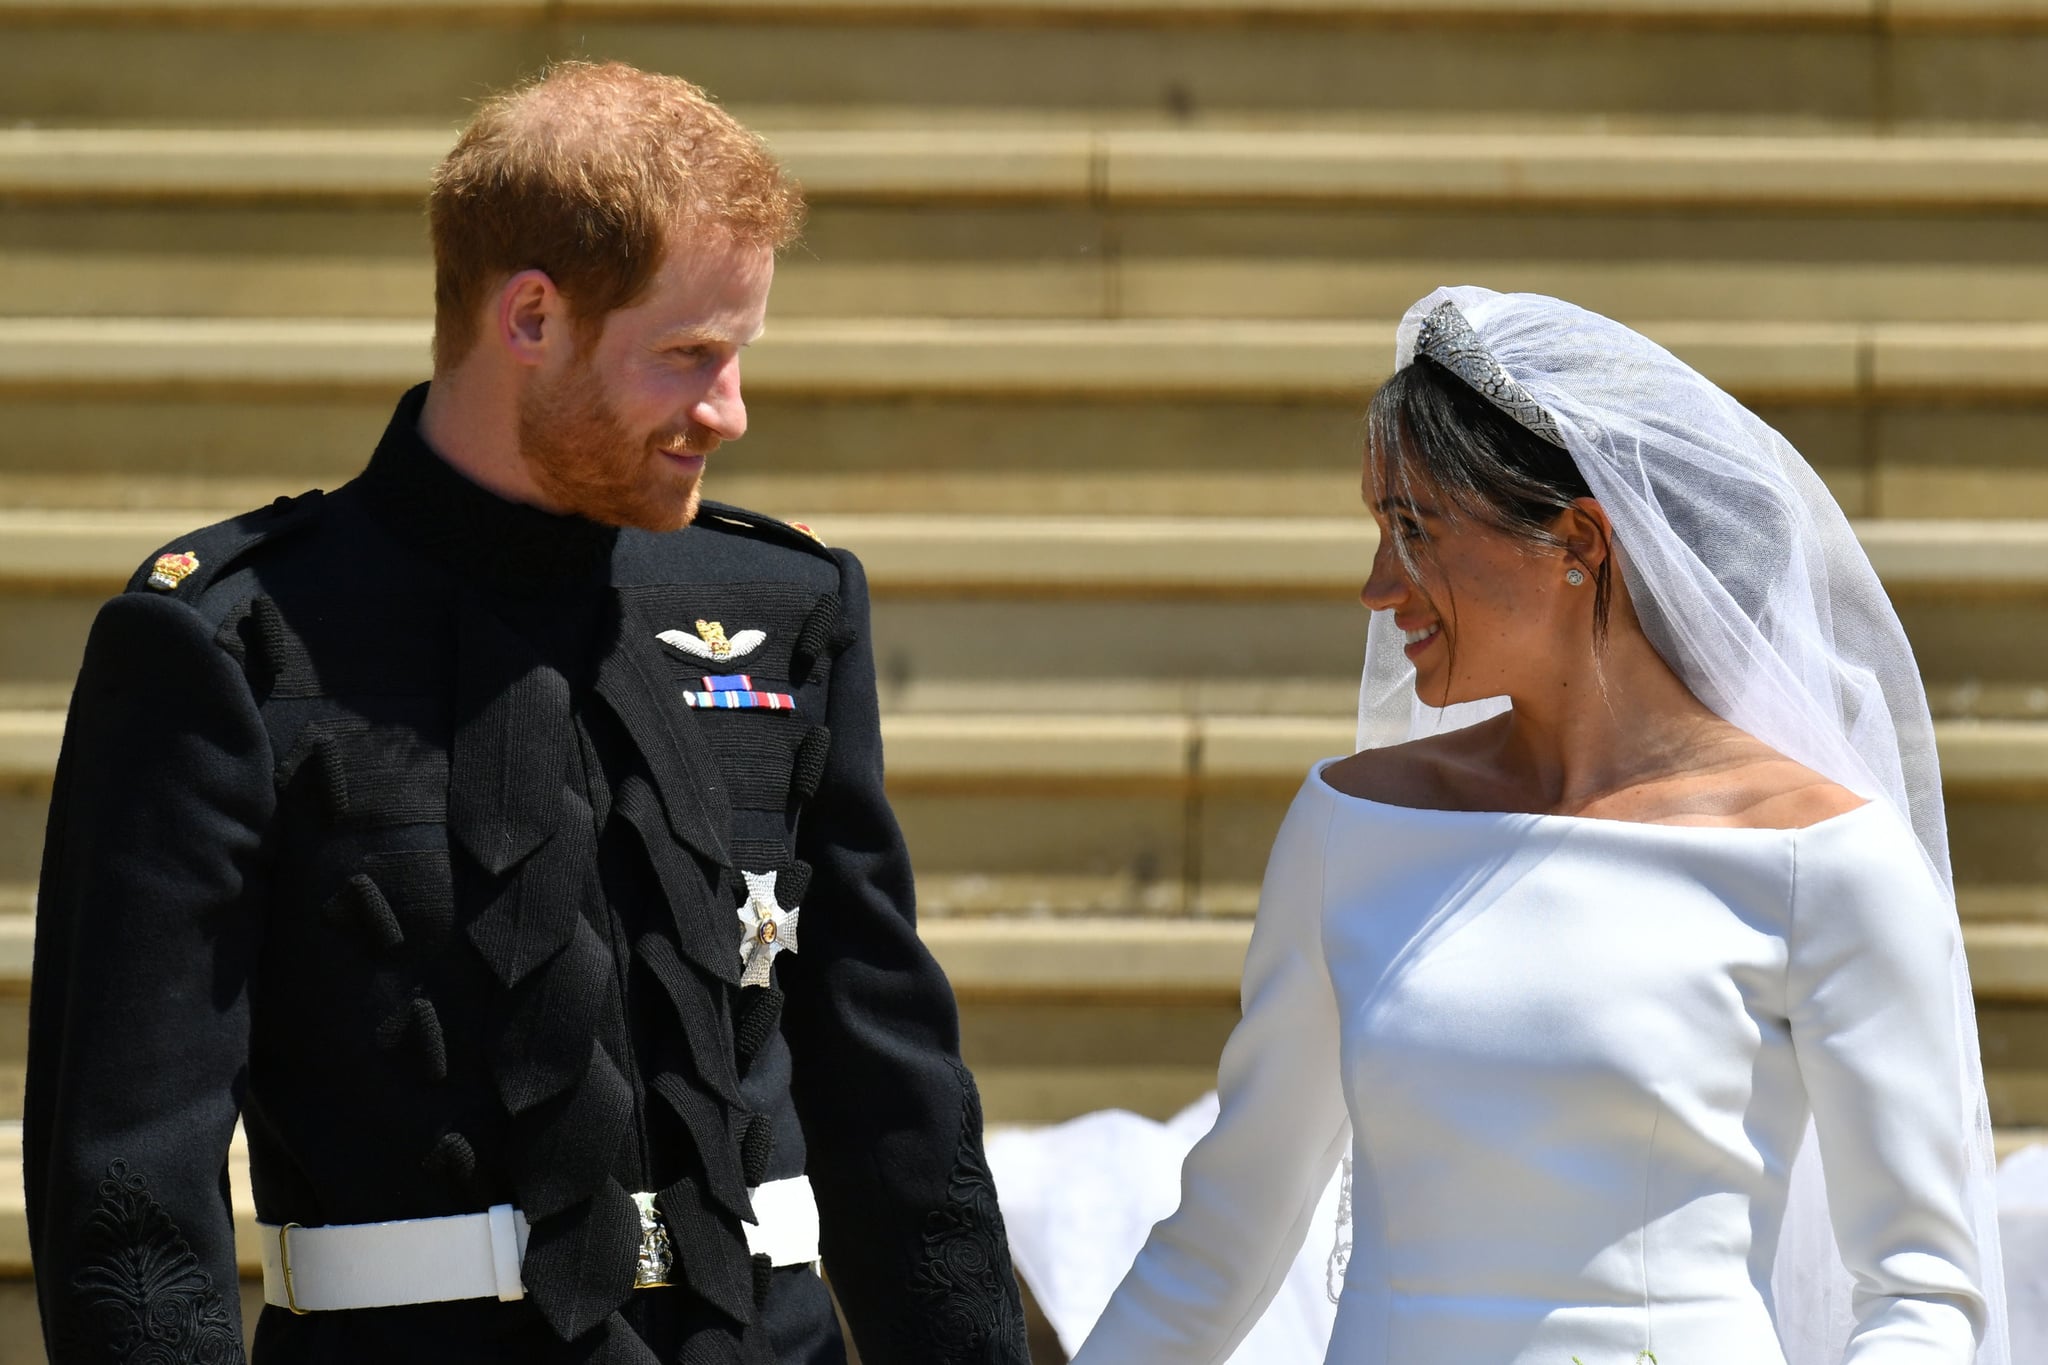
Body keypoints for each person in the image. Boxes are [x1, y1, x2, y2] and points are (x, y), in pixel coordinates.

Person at [25, 60, 1029, 1365]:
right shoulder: (229, 644)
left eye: (739, 355)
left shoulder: (782, 604)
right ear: (532, 318)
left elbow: (900, 1105)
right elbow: (127, 1191)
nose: (730, 409)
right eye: (689, 356)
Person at [1069, 287, 2009, 1364]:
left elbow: (1919, 1295)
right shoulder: (1349, 827)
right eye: (1379, 529)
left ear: (1575, 540)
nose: (1378, 587)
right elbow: (1217, 1243)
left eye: (1413, 530)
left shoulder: (1824, 864)